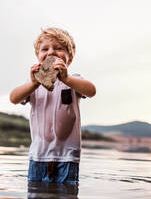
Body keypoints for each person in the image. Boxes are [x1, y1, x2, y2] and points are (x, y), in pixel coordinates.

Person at [10, 27, 96, 184]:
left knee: (66, 193)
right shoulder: (33, 85)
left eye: (59, 48)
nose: (51, 52)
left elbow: (91, 91)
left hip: (67, 156)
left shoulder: (73, 81)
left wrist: (67, 79)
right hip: (38, 155)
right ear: (38, 58)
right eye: (45, 49)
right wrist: (33, 84)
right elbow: (13, 98)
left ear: (68, 60)